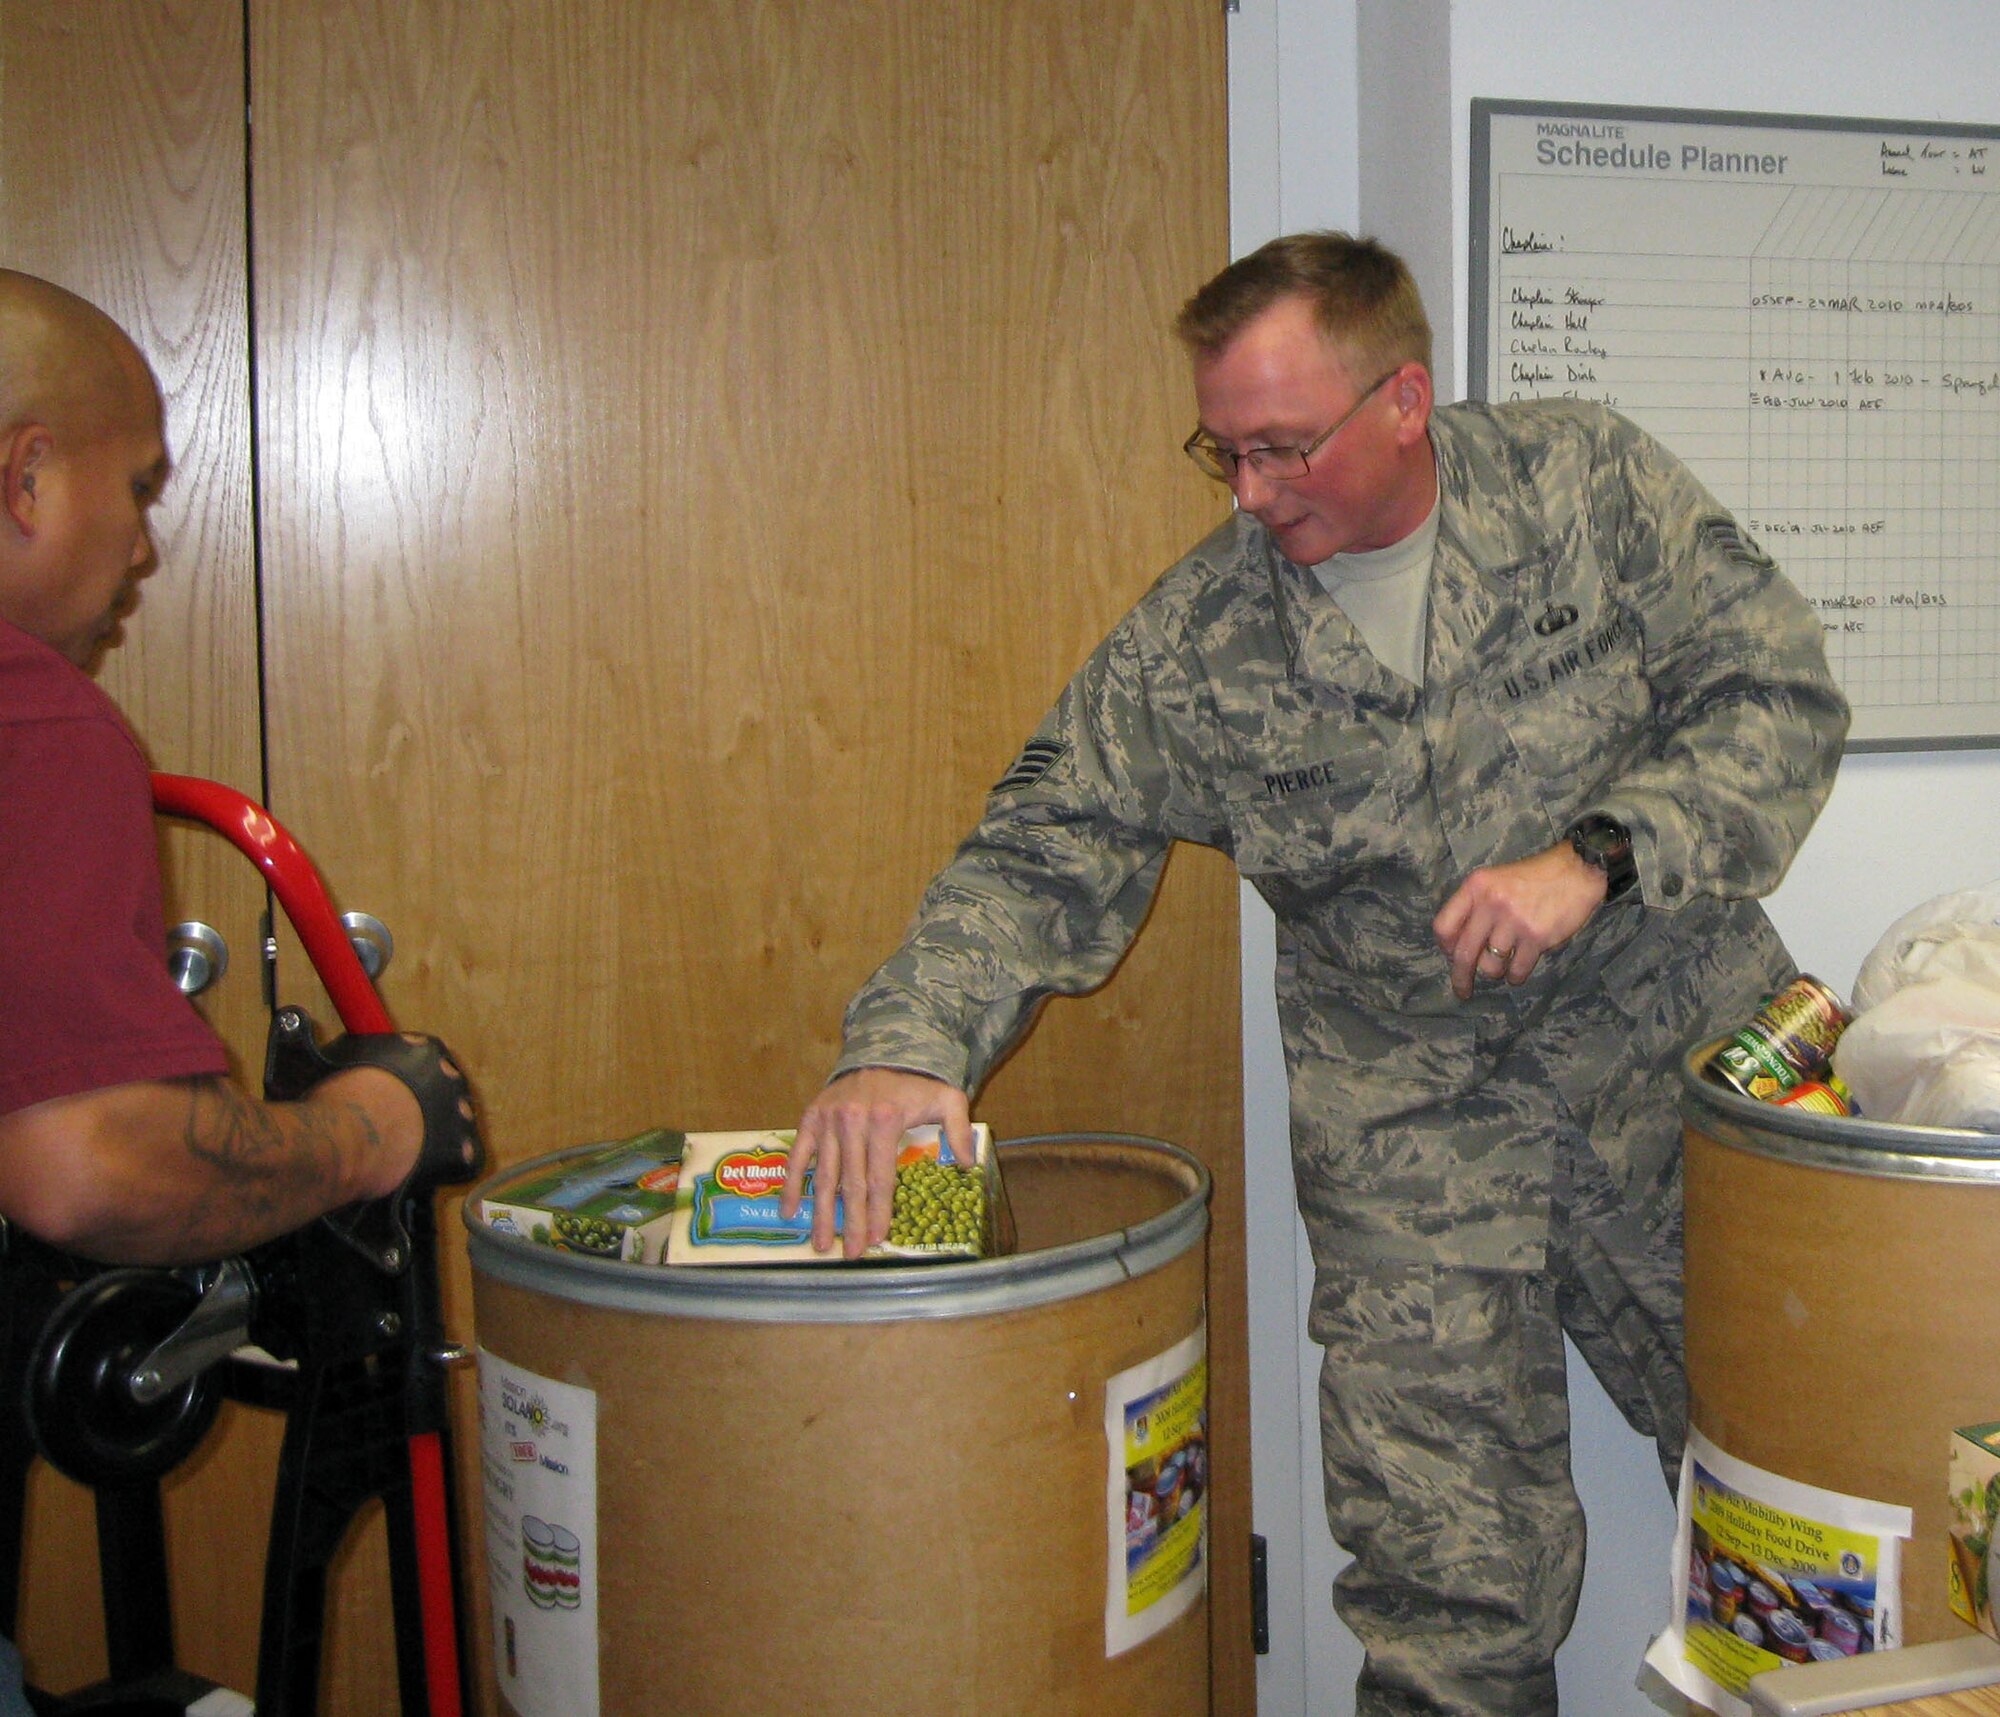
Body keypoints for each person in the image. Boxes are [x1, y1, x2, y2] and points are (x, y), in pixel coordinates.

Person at [782, 232, 1848, 1715]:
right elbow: (1043, 844)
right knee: (1442, 1599)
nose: (1252, 492)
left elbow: (1781, 690)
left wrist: (1599, 851)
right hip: (1414, 1150)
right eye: (1222, 451)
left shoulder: (1583, 486)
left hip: (1678, 1085)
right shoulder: (1204, 639)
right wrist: (905, 1043)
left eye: (1283, 448)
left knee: (1808, 1532)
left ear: (1403, 399)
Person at [0, 270, 479, 1711]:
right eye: (134, 488)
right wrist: (374, 1130)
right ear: (25, 477)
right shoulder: (36, 722)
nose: (144, 547)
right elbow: (88, 1164)